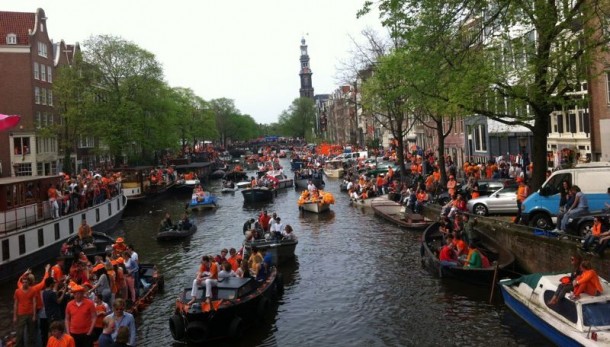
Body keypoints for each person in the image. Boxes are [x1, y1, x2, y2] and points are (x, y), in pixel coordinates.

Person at [14, 275, 37, 347]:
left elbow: (34, 303)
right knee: (19, 333)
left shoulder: (33, 290)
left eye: (26, 282)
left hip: (30, 313)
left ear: (28, 283)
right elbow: (15, 304)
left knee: (31, 333)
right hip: (21, 314)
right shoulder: (17, 291)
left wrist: (34, 315)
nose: (24, 284)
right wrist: (14, 316)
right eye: (23, 282)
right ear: (21, 283)